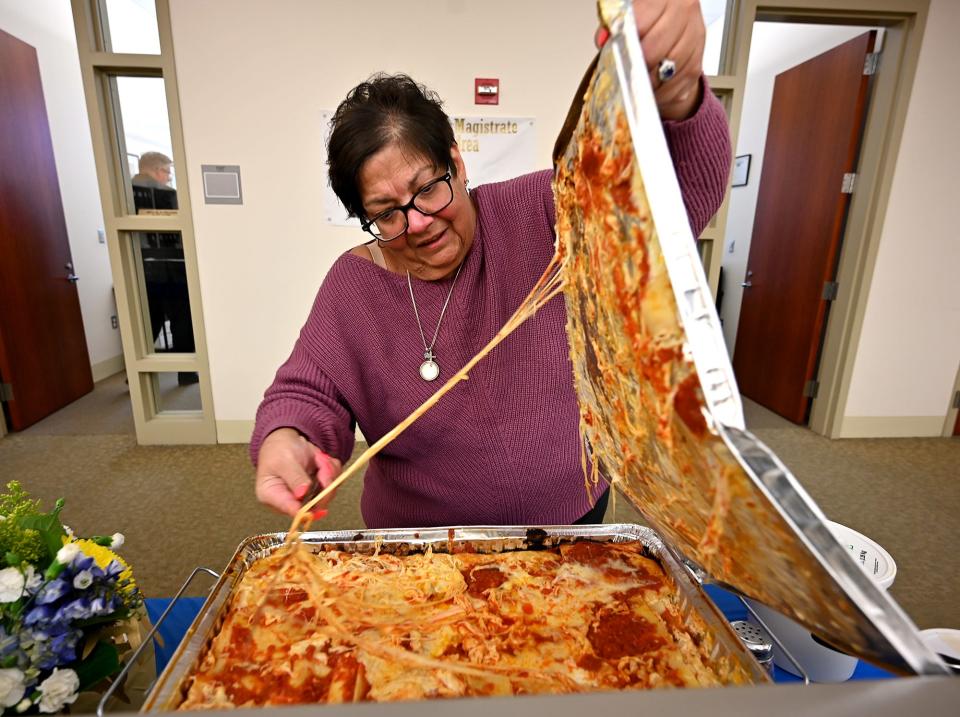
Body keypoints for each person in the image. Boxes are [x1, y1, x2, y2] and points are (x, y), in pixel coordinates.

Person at [251, 0, 732, 527]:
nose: (417, 224)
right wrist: (287, 437)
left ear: (457, 162)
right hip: (420, 551)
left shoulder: (545, 213)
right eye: (386, 214)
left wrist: (680, 92)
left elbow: (675, 205)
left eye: (427, 189)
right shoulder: (354, 286)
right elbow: (307, 390)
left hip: (564, 527)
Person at [132, 152, 198, 385]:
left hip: (141, 270)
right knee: (181, 320)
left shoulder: (124, 196)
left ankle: (136, 376)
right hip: (172, 269)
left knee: (149, 320)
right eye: (168, 172)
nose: (168, 178)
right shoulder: (168, 196)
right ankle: (187, 373)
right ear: (157, 170)